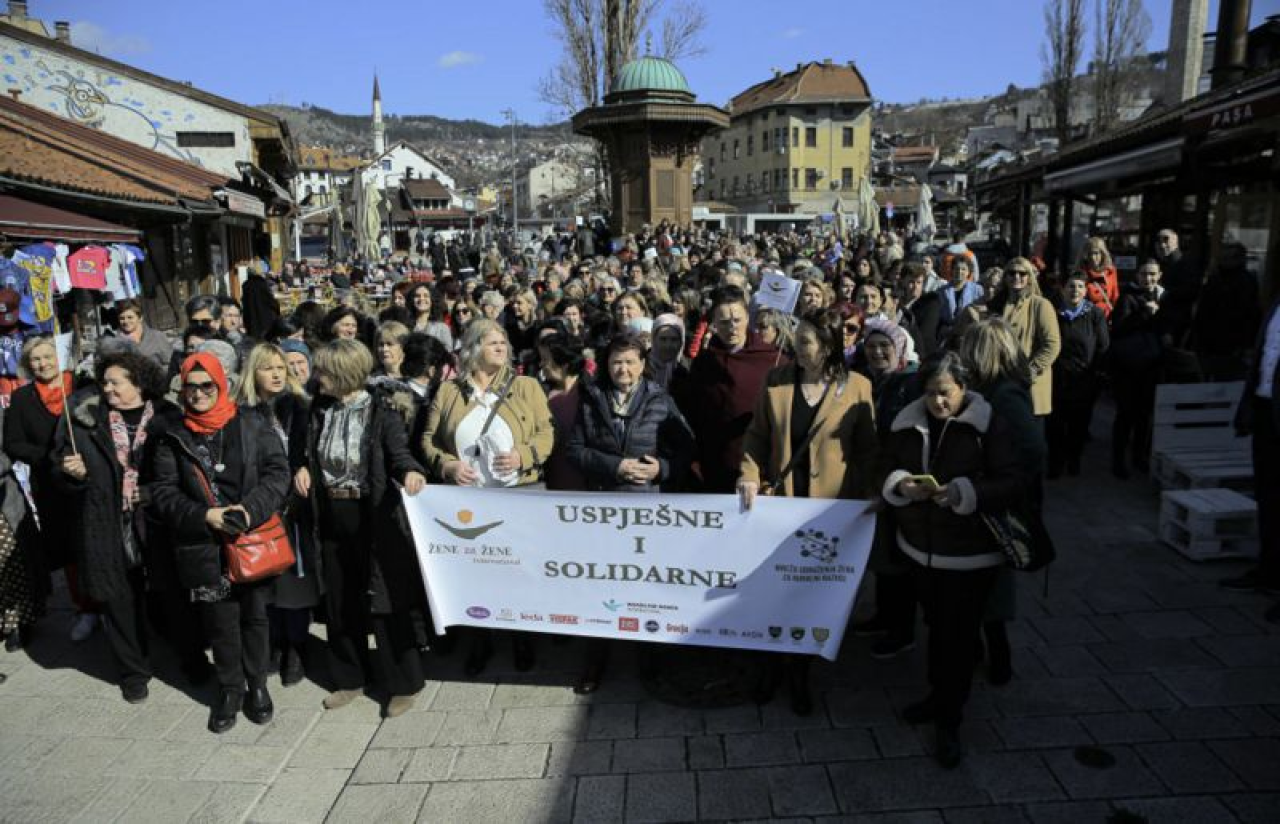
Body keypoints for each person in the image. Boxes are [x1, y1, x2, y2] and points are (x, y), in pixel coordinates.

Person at [881, 351, 1025, 767]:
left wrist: (964, 492)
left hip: (969, 555)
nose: (938, 402)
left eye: (945, 393)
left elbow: (1013, 481)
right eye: (930, 394)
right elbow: (888, 465)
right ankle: (936, 696)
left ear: (964, 389)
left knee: (957, 638)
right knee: (935, 628)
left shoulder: (989, 425)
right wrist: (899, 484)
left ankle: (950, 719)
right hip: (920, 550)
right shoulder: (908, 422)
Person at [739, 308, 877, 714]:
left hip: (828, 511)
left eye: (806, 342)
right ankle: (769, 664)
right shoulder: (776, 381)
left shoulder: (857, 387)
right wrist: (748, 474)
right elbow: (757, 436)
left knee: (809, 592)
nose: (797, 348)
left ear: (829, 346)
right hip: (780, 507)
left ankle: (799, 672)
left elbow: (868, 449)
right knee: (772, 587)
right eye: (797, 340)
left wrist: (869, 493)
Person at [148, 352, 290, 732]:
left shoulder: (252, 423)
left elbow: (278, 474)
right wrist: (202, 516)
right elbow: (162, 491)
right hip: (203, 547)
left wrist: (250, 510)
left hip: (250, 539)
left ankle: (258, 685)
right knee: (220, 620)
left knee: (255, 618)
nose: (197, 394)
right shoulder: (171, 435)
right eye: (190, 387)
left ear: (220, 384)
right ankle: (230, 688)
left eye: (205, 385)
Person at [295, 340, 429, 718]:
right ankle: (350, 677)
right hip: (331, 512)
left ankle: (404, 682)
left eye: (322, 371)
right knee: (339, 600)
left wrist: (410, 472)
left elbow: (398, 454)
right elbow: (303, 450)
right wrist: (301, 466)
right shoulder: (318, 410)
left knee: (385, 602)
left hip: (371, 515)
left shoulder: (381, 410)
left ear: (343, 375)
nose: (315, 377)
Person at [422, 319, 554, 674]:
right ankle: (480, 641)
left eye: (504, 342)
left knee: (517, 571)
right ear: (473, 349)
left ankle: (521, 639)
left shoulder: (526, 386)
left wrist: (523, 455)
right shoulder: (449, 391)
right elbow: (429, 439)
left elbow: (546, 434)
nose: (502, 348)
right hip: (468, 502)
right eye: (492, 342)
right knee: (474, 573)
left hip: (518, 496)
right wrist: (448, 466)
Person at [566, 332, 694, 694]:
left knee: (645, 585)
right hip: (603, 508)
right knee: (601, 585)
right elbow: (574, 450)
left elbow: (686, 449)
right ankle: (596, 658)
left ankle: (650, 657)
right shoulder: (591, 399)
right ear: (607, 365)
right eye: (616, 362)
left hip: (646, 512)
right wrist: (614, 466)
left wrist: (661, 470)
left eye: (630, 361)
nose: (623, 368)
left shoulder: (660, 400)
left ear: (642, 365)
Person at [54, 350, 171, 703]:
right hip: (106, 521)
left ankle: (183, 655)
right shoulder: (85, 420)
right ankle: (132, 671)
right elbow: (58, 467)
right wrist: (71, 473)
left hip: (156, 521)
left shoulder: (166, 416)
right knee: (118, 600)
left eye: (115, 382)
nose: (107, 389)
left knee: (166, 594)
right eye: (104, 382)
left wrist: (148, 493)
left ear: (138, 383)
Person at [958, 319, 1047, 687]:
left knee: (992, 583)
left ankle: (999, 657)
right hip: (989, 496)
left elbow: (1033, 449)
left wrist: (1003, 481)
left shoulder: (1004, 394)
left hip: (998, 501)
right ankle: (983, 649)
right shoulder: (991, 388)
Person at [235, 343, 315, 688]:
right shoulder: (242, 413)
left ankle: (295, 647)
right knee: (263, 578)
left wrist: (304, 465)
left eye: (281, 367)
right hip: (259, 506)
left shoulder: (301, 407)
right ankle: (270, 644)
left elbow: (314, 450)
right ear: (254, 373)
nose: (278, 373)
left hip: (294, 507)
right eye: (268, 368)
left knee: (294, 581)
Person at [849, 318, 922, 660]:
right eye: (872, 346)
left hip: (899, 481)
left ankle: (902, 629)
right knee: (882, 555)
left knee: (899, 559)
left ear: (899, 349)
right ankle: (883, 615)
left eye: (885, 347)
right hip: (875, 478)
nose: (877, 352)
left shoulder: (911, 383)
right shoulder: (870, 381)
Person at [4, 335, 82, 642]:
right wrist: (48, 457)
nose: (43, 363)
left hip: (88, 479)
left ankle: (105, 605)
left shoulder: (79, 386)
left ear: (58, 357)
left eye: (48, 356)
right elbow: (13, 443)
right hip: (49, 484)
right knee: (68, 548)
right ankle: (83, 607)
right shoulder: (23, 398)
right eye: (35, 359)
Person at [678, 287, 781, 493]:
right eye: (724, 322)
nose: (731, 327)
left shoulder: (772, 359)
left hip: (758, 462)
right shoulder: (704, 362)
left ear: (747, 319)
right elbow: (692, 413)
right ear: (714, 324)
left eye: (737, 320)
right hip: (715, 462)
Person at [1224, 293, 1280, 618]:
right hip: (1265, 411)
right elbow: (1262, 359)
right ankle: (1269, 570)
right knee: (1268, 496)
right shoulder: (1274, 306)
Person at [1047, 272, 1109, 478]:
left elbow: (1103, 345)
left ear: (1086, 291)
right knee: (1055, 424)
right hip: (1057, 378)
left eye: (1080, 287)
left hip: (1084, 378)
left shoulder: (1094, 314)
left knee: (1079, 424)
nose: (1075, 291)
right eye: (1071, 286)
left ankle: (1074, 460)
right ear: (1063, 289)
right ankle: (1056, 462)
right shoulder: (1053, 313)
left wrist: (1095, 373)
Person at [1109, 261, 1166, 478]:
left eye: (1152, 274)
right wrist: (1144, 313)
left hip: (1151, 366)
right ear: (1137, 275)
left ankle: (1139, 457)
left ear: (1159, 275)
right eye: (1144, 274)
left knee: (1145, 417)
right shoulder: (1127, 297)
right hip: (1128, 368)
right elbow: (1120, 329)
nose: (1148, 278)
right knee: (1125, 416)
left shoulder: (1162, 297)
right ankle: (1118, 461)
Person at [985, 257, 1060, 419]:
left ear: (1029, 277)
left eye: (1022, 273)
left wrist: (1031, 370)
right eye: (1012, 273)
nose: (1016, 277)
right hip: (1000, 383)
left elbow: (1052, 344)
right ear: (1005, 277)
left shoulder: (1041, 305)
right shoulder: (995, 306)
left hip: (1029, 385)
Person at [113, 299, 172, 368]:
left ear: (140, 318)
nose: (126, 321)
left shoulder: (156, 337)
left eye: (130, 317)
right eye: (122, 318)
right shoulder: (116, 343)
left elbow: (169, 363)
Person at [1077, 238, 1119, 320]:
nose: (1093, 257)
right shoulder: (1081, 273)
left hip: (1107, 318)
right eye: (1089, 254)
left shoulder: (1110, 271)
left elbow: (1115, 296)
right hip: (1087, 318)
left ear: (1103, 254)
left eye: (1096, 253)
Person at [406, 283, 454, 350]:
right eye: (417, 296)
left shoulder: (442, 328)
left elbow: (448, 352)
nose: (421, 299)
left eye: (426, 296)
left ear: (432, 300)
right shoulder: (406, 326)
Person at [241, 267, 280, 340]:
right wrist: (277, 312)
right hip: (267, 319)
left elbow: (244, 301)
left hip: (251, 318)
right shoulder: (262, 284)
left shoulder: (245, 285)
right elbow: (272, 301)